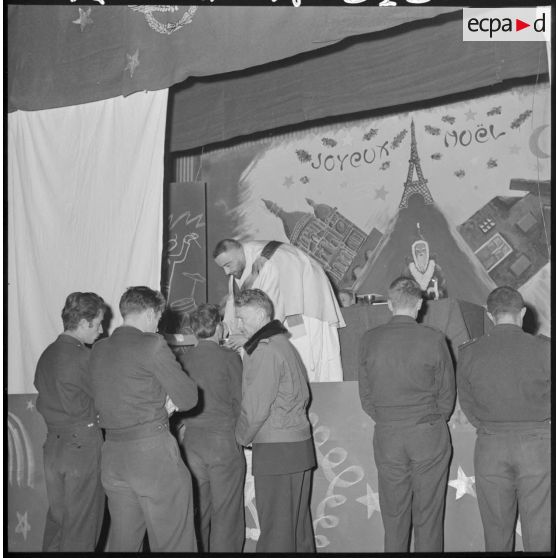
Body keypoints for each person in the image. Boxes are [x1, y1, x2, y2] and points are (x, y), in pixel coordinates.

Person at [90, 286, 199, 552]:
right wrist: (168, 404)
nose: (157, 325)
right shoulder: (152, 344)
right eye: (158, 318)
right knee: (175, 541)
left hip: (113, 456)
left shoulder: (99, 349)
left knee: (123, 541)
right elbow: (188, 398)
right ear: (151, 313)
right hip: (151, 454)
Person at [358, 276, 455, 552]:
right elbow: (447, 392)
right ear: (420, 304)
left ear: (389, 304)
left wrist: (388, 420)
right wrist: (432, 419)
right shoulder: (434, 338)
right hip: (427, 433)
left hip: (388, 435)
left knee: (394, 516)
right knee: (429, 516)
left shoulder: (369, 339)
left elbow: (366, 397)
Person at [456, 286, 550, 552]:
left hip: (491, 446)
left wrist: (491, 428)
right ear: (521, 313)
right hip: (538, 447)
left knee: (496, 531)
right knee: (541, 530)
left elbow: (468, 404)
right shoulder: (545, 349)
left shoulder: (470, 352)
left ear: (489, 314)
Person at [234, 289, 316, 553]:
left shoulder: (264, 351)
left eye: (241, 318)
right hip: (298, 446)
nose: (238, 324)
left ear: (259, 315)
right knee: (298, 530)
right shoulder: (283, 344)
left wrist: (240, 438)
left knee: (276, 533)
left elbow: (256, 407)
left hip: (276, 450)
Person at [213, 238, 345, 382]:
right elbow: (235, 304)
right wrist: (226, 331)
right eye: (223, 267)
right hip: (284, 318)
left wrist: (248, 339)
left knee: (304, 366)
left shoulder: (268, 262)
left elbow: (269, 313)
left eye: (227, 265)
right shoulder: (240, 267)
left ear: (239, 252)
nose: (226, 272)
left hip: (304, 313)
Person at [34, 292, 106, 552]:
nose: (101, 330)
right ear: (84, 322)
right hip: (82, 447)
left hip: (53, 447)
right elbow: (103, 399)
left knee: (58, 522)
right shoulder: (83, 358)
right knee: (82, 530)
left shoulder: (47, 354)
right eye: (98, 323)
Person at [176, 304, 245, 552]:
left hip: (192, 443)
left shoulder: (183, 359)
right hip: (223, 442)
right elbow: (240, 402)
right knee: (227, 513)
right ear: (218, 327)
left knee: (199, 510)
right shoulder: (229, 358)